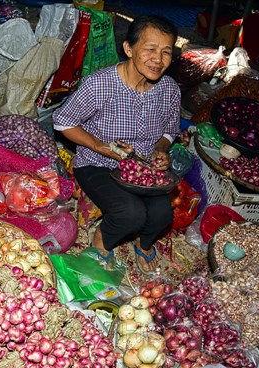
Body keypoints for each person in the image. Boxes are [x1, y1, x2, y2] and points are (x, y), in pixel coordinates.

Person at [52, 14, 180, 273]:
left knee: (162, 214)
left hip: (142, 167)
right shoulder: (100, 84)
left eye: (166, 52)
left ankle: (144, 245)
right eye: (150, 49)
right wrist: (100, 146)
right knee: (130, 214)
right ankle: (102, 238)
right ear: (128, 48)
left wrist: (161, 149)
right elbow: (62, 121)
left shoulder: (169, 90)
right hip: (98, 163)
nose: (158, 59)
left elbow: (170, 131)